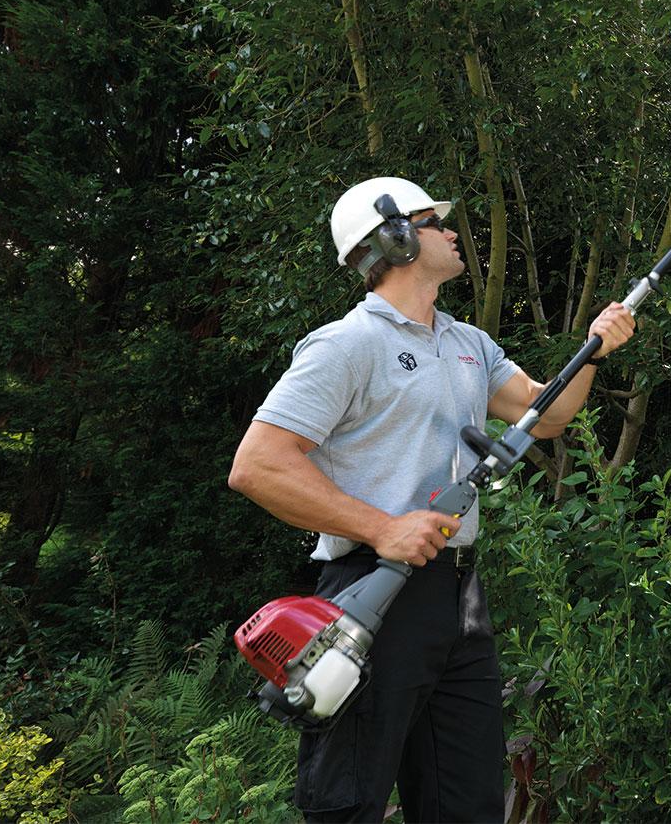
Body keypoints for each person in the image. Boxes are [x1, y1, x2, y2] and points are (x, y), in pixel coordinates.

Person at [228, 176, 634, 823]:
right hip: (373, 592)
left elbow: (543, 414)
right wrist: (382, 528)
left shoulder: (469, 344)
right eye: (434, 219)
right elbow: (258, 465)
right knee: (348, 801)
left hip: (459, 599)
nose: (452, 230)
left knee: (466, 803)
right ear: (394, 237)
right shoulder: (348, 345)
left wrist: (594, 350)